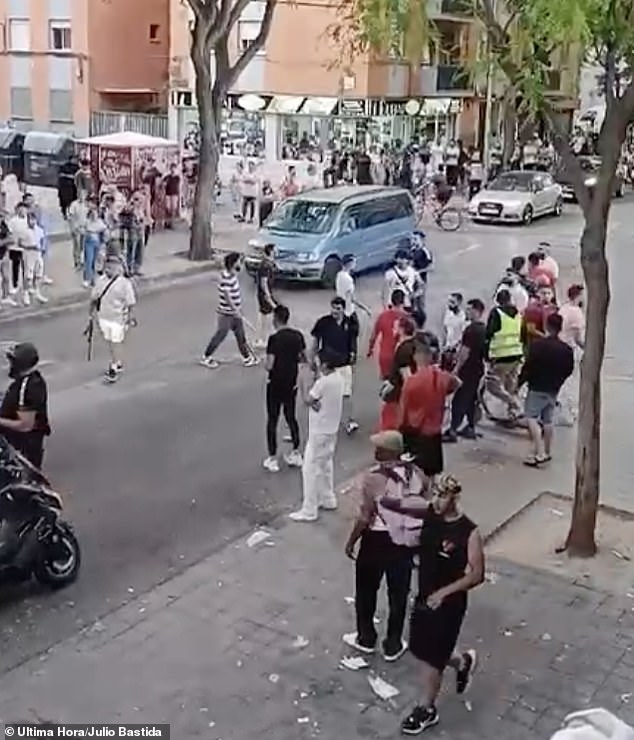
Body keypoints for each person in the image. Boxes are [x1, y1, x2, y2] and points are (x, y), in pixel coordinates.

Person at [381, 473, 484, 735]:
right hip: (423, 596)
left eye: (443, 496)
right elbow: (405, 509)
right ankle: (462, 662)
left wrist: (444, 593)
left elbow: (477, 574)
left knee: (431, 659)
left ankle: (426, 709)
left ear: (455, 497)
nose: (437, 501)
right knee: (421, 647)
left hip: (448, 605)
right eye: (435, 495)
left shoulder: (468, 532)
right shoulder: (430, 514)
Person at [343, 430, 418, 660]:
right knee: (398, 594)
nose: (375, 451)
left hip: (376, 540)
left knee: (366, 591)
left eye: (379, 448)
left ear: (390, 452)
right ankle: (393, 644)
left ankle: (366, 638)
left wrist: (352, 541)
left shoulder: (373, 477)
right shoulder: (416, 474)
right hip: (403, 541)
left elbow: (365, 516)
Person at [289, 351, 344, 522]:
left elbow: (307, 399)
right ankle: (328, 498)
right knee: (326, 464)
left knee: (310, 469)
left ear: (325, 364)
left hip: (319, 430)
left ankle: (309, 509)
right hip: (331, 428)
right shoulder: (338, 379)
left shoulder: (323, 383)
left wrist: (303, 378)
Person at [399, 338, 461, 487]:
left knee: (416, 470)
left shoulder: (411, 382)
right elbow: (457, 383)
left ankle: (419, 495)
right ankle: (431, 493)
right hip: (435, 430)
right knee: (433, 470)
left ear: (416, 357)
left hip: (415, 430)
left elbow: (404, 410)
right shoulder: (441, 376)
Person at [519, 312, 574, 467]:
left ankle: (539, 451)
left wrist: (520, 383)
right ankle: (548, 451)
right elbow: (569, 369)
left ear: (547, 326)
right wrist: (558, 381)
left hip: (537, 387)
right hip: (553, 389)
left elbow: (528, 367)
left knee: (531, 418)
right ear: (560, 328)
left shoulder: (538, 346)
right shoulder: (567, 350)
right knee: (548, 420)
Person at [263, 304, 306, 472]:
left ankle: (272, 457)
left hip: (275, 384)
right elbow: (302, 357)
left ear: (276, 319)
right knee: (291, 416)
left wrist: (266, 364)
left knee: (272, 420)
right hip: (291, 383)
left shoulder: (274, 339)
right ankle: (296, 452)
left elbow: (269, 365)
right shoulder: (297, 336)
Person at [200, 252, 259, 369]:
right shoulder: (226, 278)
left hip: (234, 313)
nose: (240, 264)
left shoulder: (232, 276)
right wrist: (235, 309)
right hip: (226, 314)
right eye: (238, 262)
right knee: (220, 335)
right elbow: (227, 296)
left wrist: (237, 310)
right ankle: (206, 356)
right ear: (233, 264)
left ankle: (247, 357)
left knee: (240, 336)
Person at [310, 297, 359, 434]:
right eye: (333, 308)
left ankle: (349, 421)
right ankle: (322, 419)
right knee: (322, 394)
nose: (335, 311)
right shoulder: (323, 322)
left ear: (343, 309)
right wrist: (313, 360)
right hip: (326, 365)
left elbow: (353, 342)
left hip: (344, 364)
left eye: (338, 308)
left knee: (346, 394)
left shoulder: (350, 323)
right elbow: (315, 341)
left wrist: (353, 356)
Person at [0, 343, 51, 469]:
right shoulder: (28, 381)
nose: (9, 365)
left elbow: (25, 425)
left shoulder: (28, 386)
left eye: (12, 362)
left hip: (21, 447)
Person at [444, 298, 487, 442]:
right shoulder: (483, 328)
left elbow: (465, 352)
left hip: (468, 369)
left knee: (460, 399)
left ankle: (452, 430)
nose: (466, 312)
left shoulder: (471, 330)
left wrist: (456, 369)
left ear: (476, 311)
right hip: (478, 368)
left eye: (469, 309)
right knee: (472, 399)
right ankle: (470, 427)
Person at [91, 257, 137, 382]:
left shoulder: (124, 284)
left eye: (112, 267)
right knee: (111, 341)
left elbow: (130, 302)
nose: (109, 269)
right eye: (107, 266)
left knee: (115, 342)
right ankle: (118, 361)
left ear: (119, 268)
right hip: (104, 317)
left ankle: (114, 367)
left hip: (118, 318)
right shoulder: (100, 281)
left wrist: (130, 317)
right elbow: (94, 298)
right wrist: (91, 314)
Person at [485, 288, 523, 418]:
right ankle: (512, 413)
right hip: (517, 354)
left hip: (501, 356)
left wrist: (486, 353)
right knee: (510, 385)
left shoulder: (496, 313)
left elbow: (489, 333)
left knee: (492, 385)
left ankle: (514, 404)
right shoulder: (518, 313)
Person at [379, 315, 417, 431]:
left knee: (389, 426)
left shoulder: (403, 350)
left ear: (402, 330)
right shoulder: (412, 344)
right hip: (397, 391)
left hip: (397, 396)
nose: (393, 330)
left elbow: (407, 378)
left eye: (395, 327)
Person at [367, 289, 406, 379]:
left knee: (387, 385)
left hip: (385, 357)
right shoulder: (407, 318)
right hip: (402, 357)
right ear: (403, 301)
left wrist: (370, 350)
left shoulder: (382, 316)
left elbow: (373, 336)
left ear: (391, 301)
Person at [335, 253, 371, 329]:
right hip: (349, 310)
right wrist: (365, 308)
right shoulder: (348, 279)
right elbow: (352, 298)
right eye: (354, 262)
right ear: (349, 264)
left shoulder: (339, 275)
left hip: (341, 308)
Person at [522, 283, 557, 351]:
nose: (546, 296)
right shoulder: (533, 309)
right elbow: (530, 329)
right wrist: (546, 337)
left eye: (549, 293)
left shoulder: (554, 309)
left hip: (549, 346)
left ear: (552, 295)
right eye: (543, 293)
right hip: (535, 345)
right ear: (538, 294)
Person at [254, 244, 277, 348]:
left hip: (265, 293)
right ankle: (261, 339)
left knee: (264, 316)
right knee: (265, 317)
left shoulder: (269, 264)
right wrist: (268, 296)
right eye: (274, 251)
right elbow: (264, 282)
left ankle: (261, 338)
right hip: (265, 294)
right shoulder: (265, 266)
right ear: (270, 252)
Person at [83, 198, 107, 288]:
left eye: (96, 214)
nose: (94, 216)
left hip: (97, 243)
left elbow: (104, 230)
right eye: (93, 214)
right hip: (89, 242)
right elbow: (84, 229)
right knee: (88, 260)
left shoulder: (100, 222)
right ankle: (87, 279)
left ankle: (93, 279)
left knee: (94, 261)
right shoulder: (87, 222)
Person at [441, 292, 467, 370]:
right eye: (449, 301)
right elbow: (446, 329)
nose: (449, 304)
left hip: (456, 350)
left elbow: (463, 335)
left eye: (452, 302)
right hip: (447, 348)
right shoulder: (448, 313)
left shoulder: (463, 318)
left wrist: (454, 347)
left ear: (459, 303)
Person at [68, 191, 88, 271]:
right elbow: (71, 216)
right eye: (80, 195)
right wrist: (73, 227)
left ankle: (83, 261)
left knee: (83, 246)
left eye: (83, 195)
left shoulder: (87, 204)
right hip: (77, 228)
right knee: (77, 246)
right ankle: (77, 262)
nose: (82, 196)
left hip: (85, 228)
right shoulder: (74, 204)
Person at [162, 163, 180, 228]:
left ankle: (171, 223)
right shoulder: (167, 177)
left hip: (174, 194)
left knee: (173, 209)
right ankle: (167, 222)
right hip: (168, 194)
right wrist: (164, 184)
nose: (173, 169)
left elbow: (178, 186)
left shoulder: (177, 177)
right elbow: (163, 184)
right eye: (172, 168)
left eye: (174, 168)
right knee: (167, 208)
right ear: (170, 169)